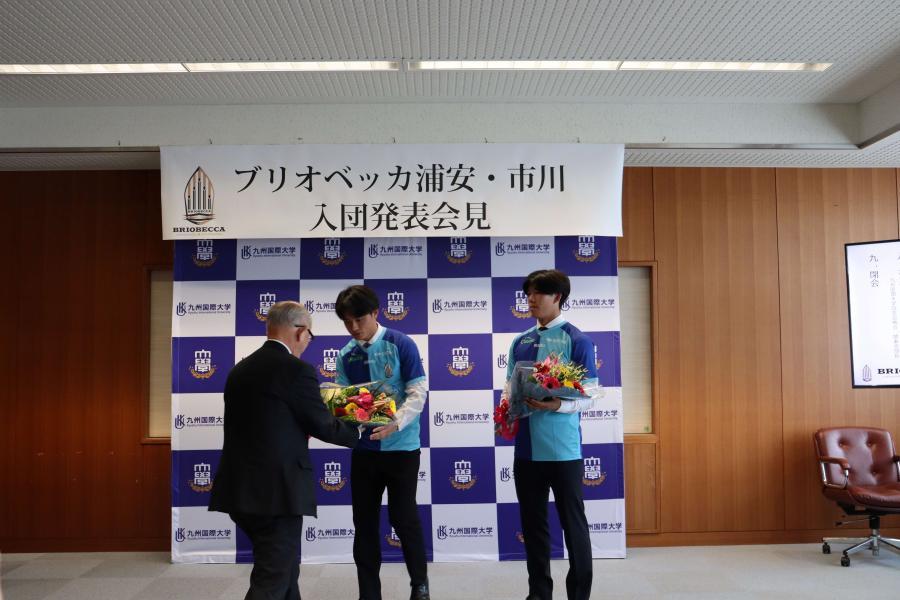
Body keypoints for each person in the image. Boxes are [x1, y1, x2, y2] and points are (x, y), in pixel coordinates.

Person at [209, 301, 360, 600]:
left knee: (285, 568)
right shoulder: (297, 370)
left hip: (240, 491)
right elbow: (322, 424)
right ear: (301, 332)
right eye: (310, 336)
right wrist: (360, 432)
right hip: (276, 494)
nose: (308, 342)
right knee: (272, 579)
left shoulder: (239, 370)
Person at [502, 269, 600, 600]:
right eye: (528, 293)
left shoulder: (577, 339)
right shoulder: (520, 341)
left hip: (563, 452)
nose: (530, 299)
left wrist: (558, 404)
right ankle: (539, 593)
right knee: (533, 527)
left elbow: (589, 394)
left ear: (557, 297)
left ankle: (579, 595)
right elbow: (509, 386)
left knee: (574, 526)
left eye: (537, 293)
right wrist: (505, 410)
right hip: (526, 451)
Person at [334, 285, 430, 600]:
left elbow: (418, 392)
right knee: (364, 523)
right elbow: (345, 401)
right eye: (347, 321)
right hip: (365, 451)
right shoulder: (345, 355)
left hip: (402, 449)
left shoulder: (401, 343)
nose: (353, 327)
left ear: (376, 312)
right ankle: (369, 593)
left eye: (359, 319)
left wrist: (395, 422)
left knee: (404, 518)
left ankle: (420, 585)